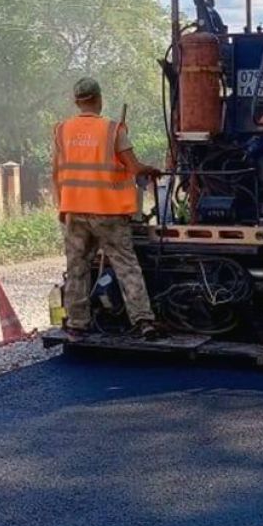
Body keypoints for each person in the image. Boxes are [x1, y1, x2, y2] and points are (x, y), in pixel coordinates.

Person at [52, 77, 163, 339]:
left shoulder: (61, 130)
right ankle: (143, 320)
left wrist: (61, 205)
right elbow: (135, 168)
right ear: (99, 99)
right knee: (126, 265)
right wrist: (152, 170)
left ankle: (78, 324)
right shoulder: (113, 130)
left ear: (77, 101)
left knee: (77, 266)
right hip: (109, 212)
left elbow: (56, 172)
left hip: (74, 209)